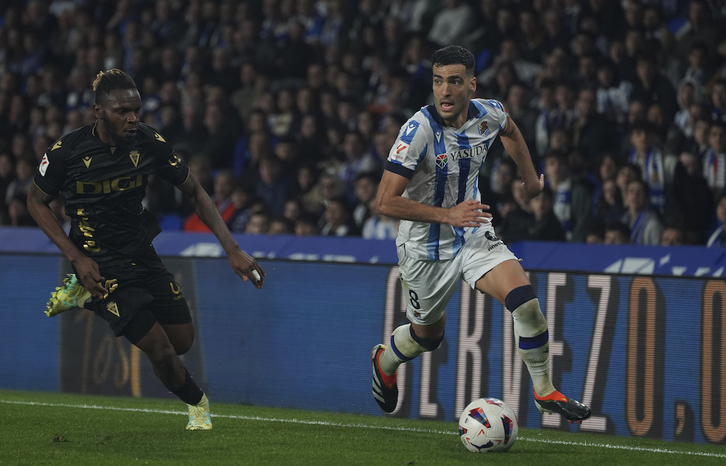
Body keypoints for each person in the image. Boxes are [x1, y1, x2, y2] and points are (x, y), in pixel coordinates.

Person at [27, 69, 266, 431]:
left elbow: (196, 192)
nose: (132, 118)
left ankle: (80, 296)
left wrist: (232, 248)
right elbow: (35, 202)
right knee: (160, 349)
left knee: (181, 341)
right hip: (99, 263)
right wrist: (76, 257)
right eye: (122, 111)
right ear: (98, 112)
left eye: (136, 109)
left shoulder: (149, 142)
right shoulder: (66, 152)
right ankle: (198, 406)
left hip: (141, 253)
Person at [370, 46, 591, 423]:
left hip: (472, 231)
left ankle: (543, 390)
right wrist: (447, 214)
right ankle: (384, 360)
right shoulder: (417, 131)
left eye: (454, 81)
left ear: (471, 85)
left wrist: (529, 180)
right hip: (425, 248)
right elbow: (384, 202)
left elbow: (511, 130)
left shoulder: (488, 112)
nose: (445, 91)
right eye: (438, 81)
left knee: (526, 302)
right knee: (428, 336)